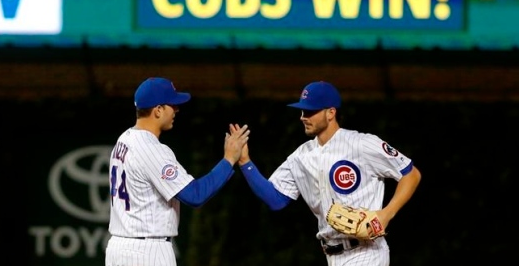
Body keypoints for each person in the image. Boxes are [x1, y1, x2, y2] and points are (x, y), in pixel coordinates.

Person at [232, 80, 421, 266]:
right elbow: (275, 199)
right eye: (302, 111)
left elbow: (411, 174)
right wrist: (245, 162)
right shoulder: (300, 157)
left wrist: (386, 214)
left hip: (367, 252)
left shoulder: (361, 144)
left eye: (310, 111)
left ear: (331, 113)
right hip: (332, 255)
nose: (303, 116)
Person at [105, 77, 250, 266]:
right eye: (172, 105)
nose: (177, 109)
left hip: (118, 248)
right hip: (147, 252)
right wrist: (229, 159)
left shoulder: (124, 139)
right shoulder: (152, 149)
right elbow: (195, 195)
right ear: (158, 110)